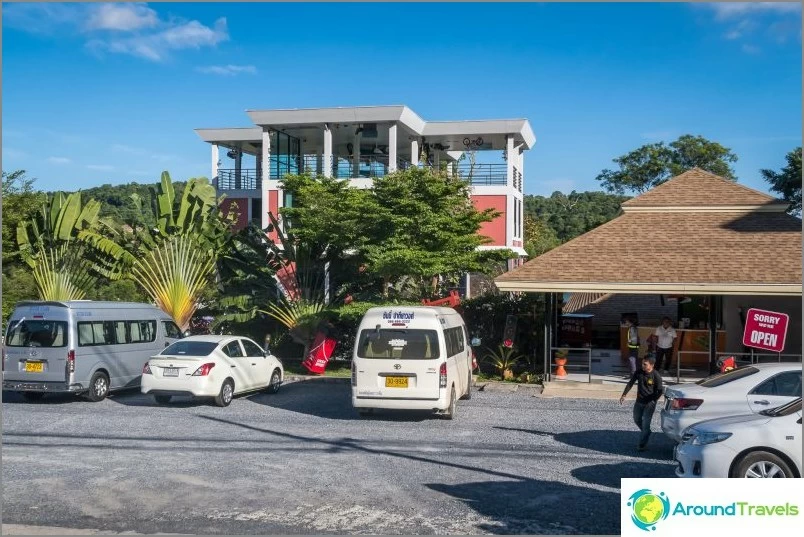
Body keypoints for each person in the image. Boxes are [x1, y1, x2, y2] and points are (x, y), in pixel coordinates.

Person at [619, 355, 664, 451]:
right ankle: (646, 432)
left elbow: (660, 391)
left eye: (645, 364)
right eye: (642, 363)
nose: (642, 365)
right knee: (636, 419)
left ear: (651, 365)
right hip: (639, 401)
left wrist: (653, 401)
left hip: (650, 404)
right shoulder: (639, 372)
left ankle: (642, 444)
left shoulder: (656, 375)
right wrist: (624, 395)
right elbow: (630, 383)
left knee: (646, 423)